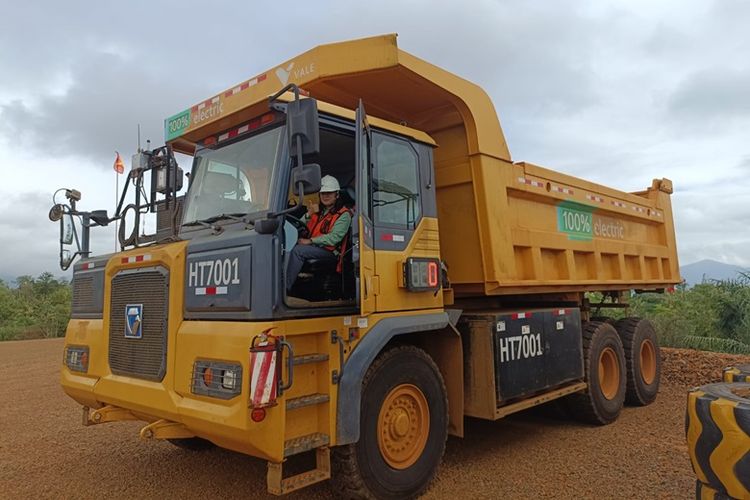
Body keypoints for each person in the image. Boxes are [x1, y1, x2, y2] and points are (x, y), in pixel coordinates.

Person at [286, 175, 352, 293]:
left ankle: (284, 288)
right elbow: (297, 225)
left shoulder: (343, 215)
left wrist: (310, 241)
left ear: (337, 195)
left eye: (329, 193)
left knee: (298, 251)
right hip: (314, 248)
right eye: (323, 193)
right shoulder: (317, 212)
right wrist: (308, 214)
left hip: (330, 252)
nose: (325, 196)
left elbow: (334, 238)